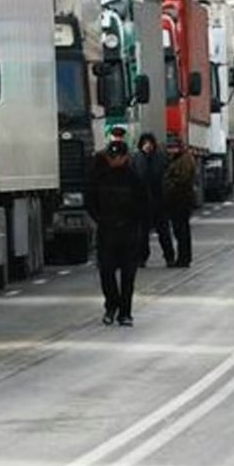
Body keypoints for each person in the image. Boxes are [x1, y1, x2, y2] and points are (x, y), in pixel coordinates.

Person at [86, 140, 147, 326]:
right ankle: (111, 306)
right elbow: (91, 202)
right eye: (112, 157)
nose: (115, 160)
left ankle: (125, 312)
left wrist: (135, 223)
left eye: (118, 157)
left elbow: (144, 204)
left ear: (126, 157)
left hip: (129, 233)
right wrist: (101, 219)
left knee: (128, 276)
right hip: (107, 232)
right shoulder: (100, 177)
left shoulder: (134, 178)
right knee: (107, 272)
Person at [132, 133, 172, 268]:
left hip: (159, 201)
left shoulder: (159, 157)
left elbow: (160, 175)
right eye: (145, 143)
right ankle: (141, 258)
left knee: (163, 232)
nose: (148, 146)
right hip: (143, 202)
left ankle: (169, 256)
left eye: (150, 143)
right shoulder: (138, 158)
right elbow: (139, 176)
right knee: (142, 234)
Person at [162, 143, 198, 268]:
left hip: (181, 200)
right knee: (180, 230)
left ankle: (184, 258)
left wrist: (169, 184)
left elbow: (183, 179)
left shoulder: (185, 160)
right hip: (177, 200)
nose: (171, 151)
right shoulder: (179, 159)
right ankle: (183, 257)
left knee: (181, 231)